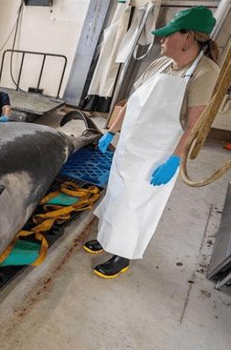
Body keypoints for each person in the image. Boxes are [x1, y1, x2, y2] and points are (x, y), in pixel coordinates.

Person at [84, 6, 219, 278]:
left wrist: (175, 159)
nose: (162, 40)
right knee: (116, 195)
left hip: (156, 156)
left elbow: (194, 124)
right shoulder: (161, 64)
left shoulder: (205, 71)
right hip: (130, 145)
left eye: (168, 35)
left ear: (187, 38)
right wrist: (111, 131)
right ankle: (107, 238)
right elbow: (129, 103)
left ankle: (122, 254)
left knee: (135, 205)